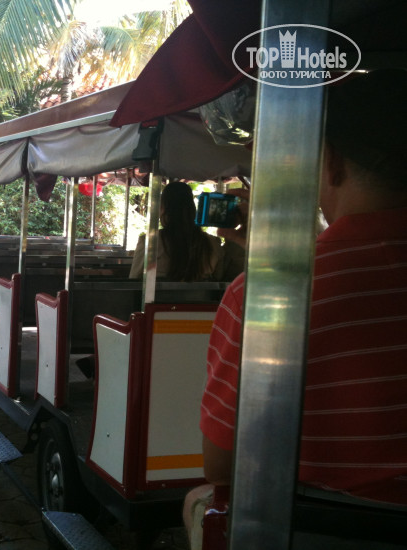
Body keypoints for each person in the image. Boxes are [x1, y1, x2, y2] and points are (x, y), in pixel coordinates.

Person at [184, 70, 407, 544]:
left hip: (322, 528)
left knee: (199, 499)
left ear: (330, 162)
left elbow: (220, 463)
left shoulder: (261, 295)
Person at [129, 180, 225, 281]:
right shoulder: (212, 244)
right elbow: (219, 280)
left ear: (163, 208)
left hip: (158, 292)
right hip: (201, 292)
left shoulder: (149, 243)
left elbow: (133, 281)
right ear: (192, 208)